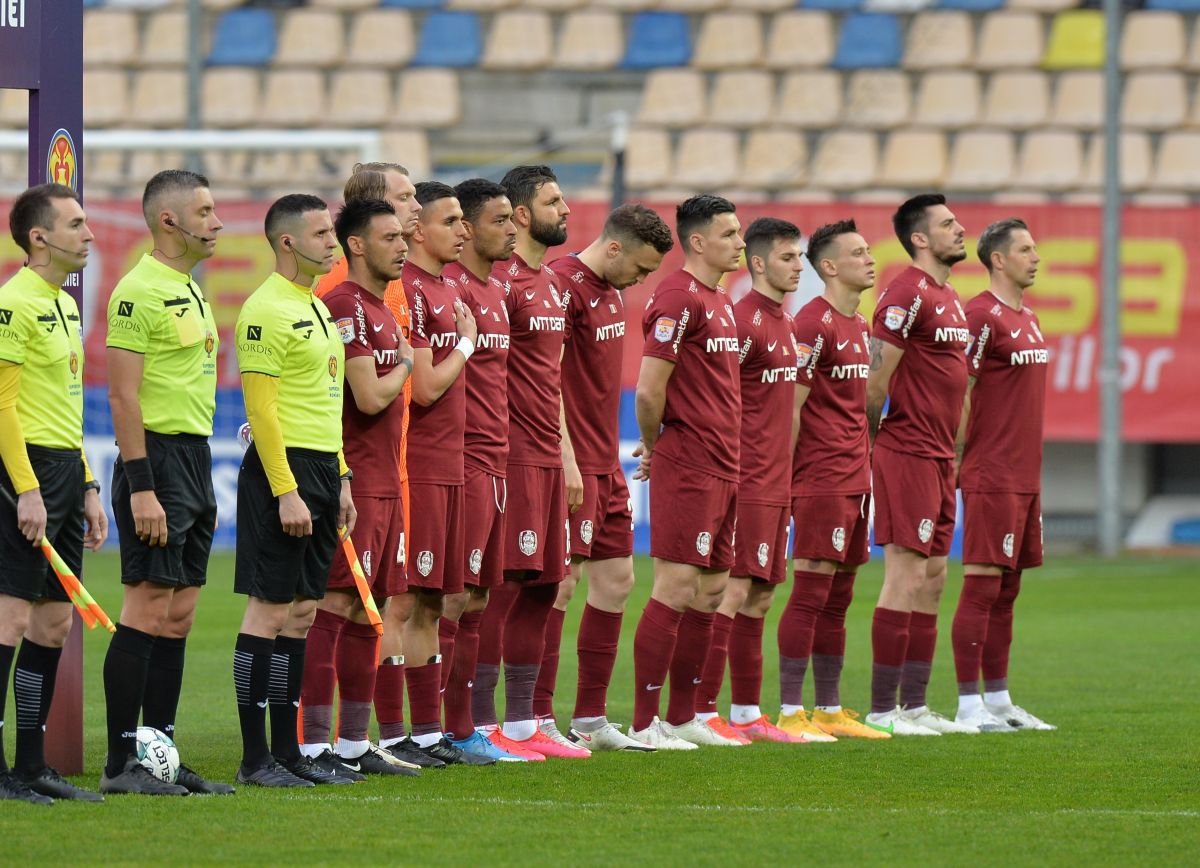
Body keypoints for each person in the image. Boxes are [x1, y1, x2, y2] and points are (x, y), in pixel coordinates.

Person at [100, 170, 234, 796]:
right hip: (155, 460)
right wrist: (142, 486)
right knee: (148, 606)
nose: (217, 222)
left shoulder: (190, 288)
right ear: (169, 221)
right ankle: (120, 763)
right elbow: (122, 397)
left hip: (195, 458)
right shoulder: (137, 291)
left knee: (179, 615)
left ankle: (162, 757)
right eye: (204, 212)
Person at [232, 194, 358, 787]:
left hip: (322, 470)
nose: (333, 243)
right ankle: (255, 758)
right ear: (288, 242)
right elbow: (261, 409)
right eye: (322, 234)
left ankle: (288, 752)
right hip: (281, 473)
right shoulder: (264, 309)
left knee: (303, 612)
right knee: (269, 610)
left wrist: (342, 477)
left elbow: (326, 404)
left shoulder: (316, 307)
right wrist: (285, 490)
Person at [537, 205, 673, 752]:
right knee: (561, 584)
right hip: (572, 462)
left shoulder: (612, 291)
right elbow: (546, 380)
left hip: (606, 463)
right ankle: (535, 717)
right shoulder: (561, 286)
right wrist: (566, 457)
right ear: (614, 247)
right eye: (640, 268)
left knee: (617, 581)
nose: (642, 280)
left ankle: (590, 720)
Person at [313, 162, 435, 769]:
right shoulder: (344, 304)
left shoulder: (383, 305)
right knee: (336, 605)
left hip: (390, 479)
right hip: (357, 478)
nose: (403, 245)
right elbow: (366, 397)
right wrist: (407, 364)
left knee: (372, 612)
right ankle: (314, 743)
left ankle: (356, 744)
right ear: (357, 244)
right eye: (390, 237)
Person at [470, 165, 588, 759]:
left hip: (546, 454)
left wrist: (566, 455)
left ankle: (522, 723)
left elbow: (552, 381)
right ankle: (480, 721)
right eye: (553, 201)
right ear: (521, 214)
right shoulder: (503, 282)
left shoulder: (552, 285)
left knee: (547, 584)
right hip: (509, 453)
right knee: (502, 586)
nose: (565, 210)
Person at [0, 184, 106, 803]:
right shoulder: (12, 303)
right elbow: (4, 407)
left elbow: (66, 404)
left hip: (64, 469)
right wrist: (27, 488)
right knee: (11, 617)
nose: (89, 234)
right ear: (39, 237)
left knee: (54, 620)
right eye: (76, 224)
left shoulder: (64, 305)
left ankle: (30, 766)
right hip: (26, 472)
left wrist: (87, 482)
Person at [628, 195, 746, 749]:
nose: (739, 243)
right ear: (697, 242)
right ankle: (643, 722)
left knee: (713, 590)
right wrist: (656, 448)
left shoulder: (720, 299)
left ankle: (682, 717)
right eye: (729, 234)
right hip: (691, 461)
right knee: (676, 587)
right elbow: (649, 390)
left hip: (726, 462)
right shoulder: (677, 296)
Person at [864, 193, 975, 736]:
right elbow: (874, 380)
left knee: (933, 577)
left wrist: (956, 450)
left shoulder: (950, 296)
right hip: (906, 450)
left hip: (939, 456)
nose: (961, 229)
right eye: (948, 224)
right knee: (905, 575)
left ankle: (915, 705)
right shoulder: (905, 292)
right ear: (920, 238)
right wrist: (872, 444)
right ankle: (883, 710)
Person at [693, 217, 806, 745]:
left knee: (760, 596)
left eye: (799, 256)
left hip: (777, 480)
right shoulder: (742, 321)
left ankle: (745, 713)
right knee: (731, 593)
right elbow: (715, 396)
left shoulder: (787, 323)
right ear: (758, 263)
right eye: (787, 257)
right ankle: (701, 710)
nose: (798, 266)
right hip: (746, 476)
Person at [777, 220, 889, 742]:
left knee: (840, 595)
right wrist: (787, 477)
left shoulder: (860, 325)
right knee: (810, 590)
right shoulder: (810, 324)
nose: (870, 259)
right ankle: (789, 710)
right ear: (828, 267)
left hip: (855, 476)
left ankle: (828, 709)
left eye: (868, 251)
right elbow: (791, 408)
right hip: (820, 478)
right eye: (858, 252)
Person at [396, 181, 491, 766]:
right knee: (411, 602)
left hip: (453, 463)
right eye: (451, 221)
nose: (463, 230)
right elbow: (426, 387)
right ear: (418, 229)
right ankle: (393, 732)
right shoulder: (409, 289)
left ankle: (430, 734)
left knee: (437, 602)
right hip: (422, 465)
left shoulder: (447, 286)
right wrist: (467, 344)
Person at [438, 179, 530, 762]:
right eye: (500, 220)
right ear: (468, 228)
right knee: (450, 599)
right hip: (462, 458)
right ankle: (432, 730)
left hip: (498, 459)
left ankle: (462, 727)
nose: (512, 230)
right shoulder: (449, 291)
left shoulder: (498, 291)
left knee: (477, 599)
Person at [952, 218, 1055, 732]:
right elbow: (960, 389)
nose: (1035, 258)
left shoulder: (1029, 318)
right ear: (997, 259)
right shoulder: (980, 315)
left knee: (1008, 590)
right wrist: (957, 456)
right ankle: (967, 705)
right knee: (982, 585)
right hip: (991, 470)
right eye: (1025, 249)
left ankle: (998, 700)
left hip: (1025, 473)